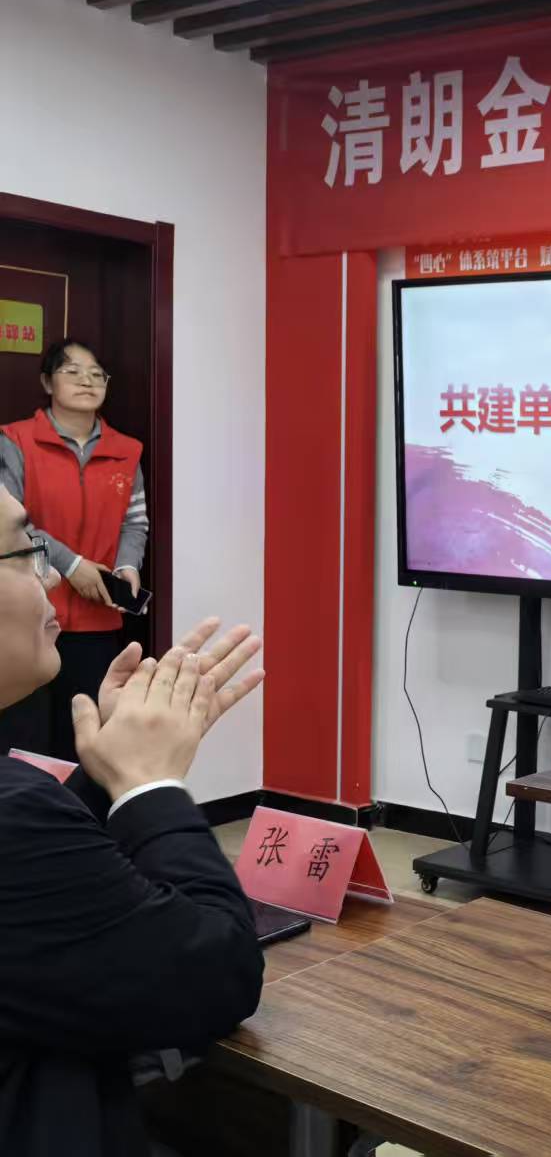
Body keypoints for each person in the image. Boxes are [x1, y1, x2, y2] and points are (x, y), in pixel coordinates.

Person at [0, 488, 266, 1154]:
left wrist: (109, 774)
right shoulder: (14, 817)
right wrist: (151, 785)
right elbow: (216, 975)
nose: (50, 579)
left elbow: (43, 906)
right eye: (26, 552)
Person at [0, 339, 148, 761]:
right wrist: (73, 565)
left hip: (97, 620)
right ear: (47, 382)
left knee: (86, 737)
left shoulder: (126, 451)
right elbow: (11, 524)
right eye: (72, 371)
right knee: (23, 739)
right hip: (27, 615)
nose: (88, 380)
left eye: (97, 373)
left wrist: (127, 566)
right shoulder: (14, 440)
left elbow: (134, 522)